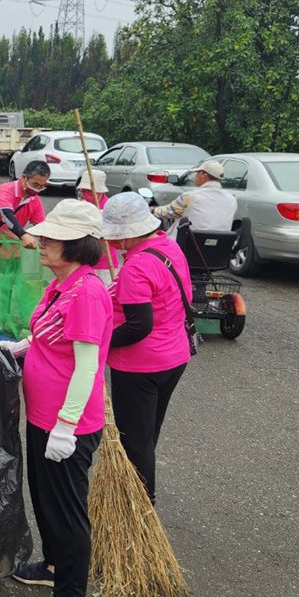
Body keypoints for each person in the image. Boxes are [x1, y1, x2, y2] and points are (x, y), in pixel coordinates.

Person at [0, 200, 111, 597]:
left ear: (77, 246)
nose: (42, 244)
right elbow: (47, 334)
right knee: (46, 500)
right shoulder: (60, 283)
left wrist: (66, 426)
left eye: (52, 239)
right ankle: (53, 568)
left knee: (66, 510)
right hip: (43, 416)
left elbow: (87, 367)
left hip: (69, 425)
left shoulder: (88, 293)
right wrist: (22, 347)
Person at [102, 192, 193, 505]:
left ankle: (140, 501)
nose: (112, 244)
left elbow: (139, 326)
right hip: (174, 356)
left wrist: (98, 342)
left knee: (135, 440)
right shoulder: (168, 247)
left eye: (116, 237)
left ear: (128, 234)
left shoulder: (136, 267)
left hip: (140, 366)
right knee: (147, 431)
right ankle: (137, 489)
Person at [0, 160, 51, 321]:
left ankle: (2, 323)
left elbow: (41, 226)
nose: (37, 190)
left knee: (7, 291)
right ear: (24, 177)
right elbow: (6, 216)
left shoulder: (34, 201)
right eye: (35, 184)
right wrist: (23, 235)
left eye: (41, 186)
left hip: (11, 254)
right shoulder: (4, 191)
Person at [151, 158, 236, 238]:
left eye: (197, 173)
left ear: (204, 175)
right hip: (220, 246)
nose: (195, 176)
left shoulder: (190, 197)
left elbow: (168, 212)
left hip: (187, 245)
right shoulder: (232, 199)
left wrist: (153, 210)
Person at [76, 169, 118, 284]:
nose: (85, 194)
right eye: (83, 191)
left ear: (100, 192)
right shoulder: (81, 205)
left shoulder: (109, 208)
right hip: (83, 258)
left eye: (88, 191)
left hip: (104, 261)